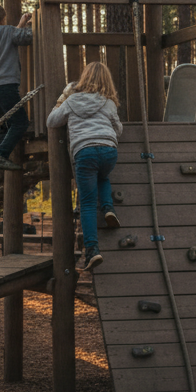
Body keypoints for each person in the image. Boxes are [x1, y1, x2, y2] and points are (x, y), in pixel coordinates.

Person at [47, 61, 123, 272]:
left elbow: (52, 121)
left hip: (85, 152)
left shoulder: (71, 101)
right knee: (103, 177)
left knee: (87, 204)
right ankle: (108, 207)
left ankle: (92, 249)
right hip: (109, 151)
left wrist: (60, 101)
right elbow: (118, 129)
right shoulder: (108, 102)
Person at [0, 2, 33, 171]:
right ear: (3, 18)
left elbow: (9, 36)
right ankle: (1, 155)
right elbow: (25, 38)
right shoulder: (7, 31)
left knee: (5, 123)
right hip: (7, 85)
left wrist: (20, 24)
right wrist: (31, 26)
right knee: (20, 123)